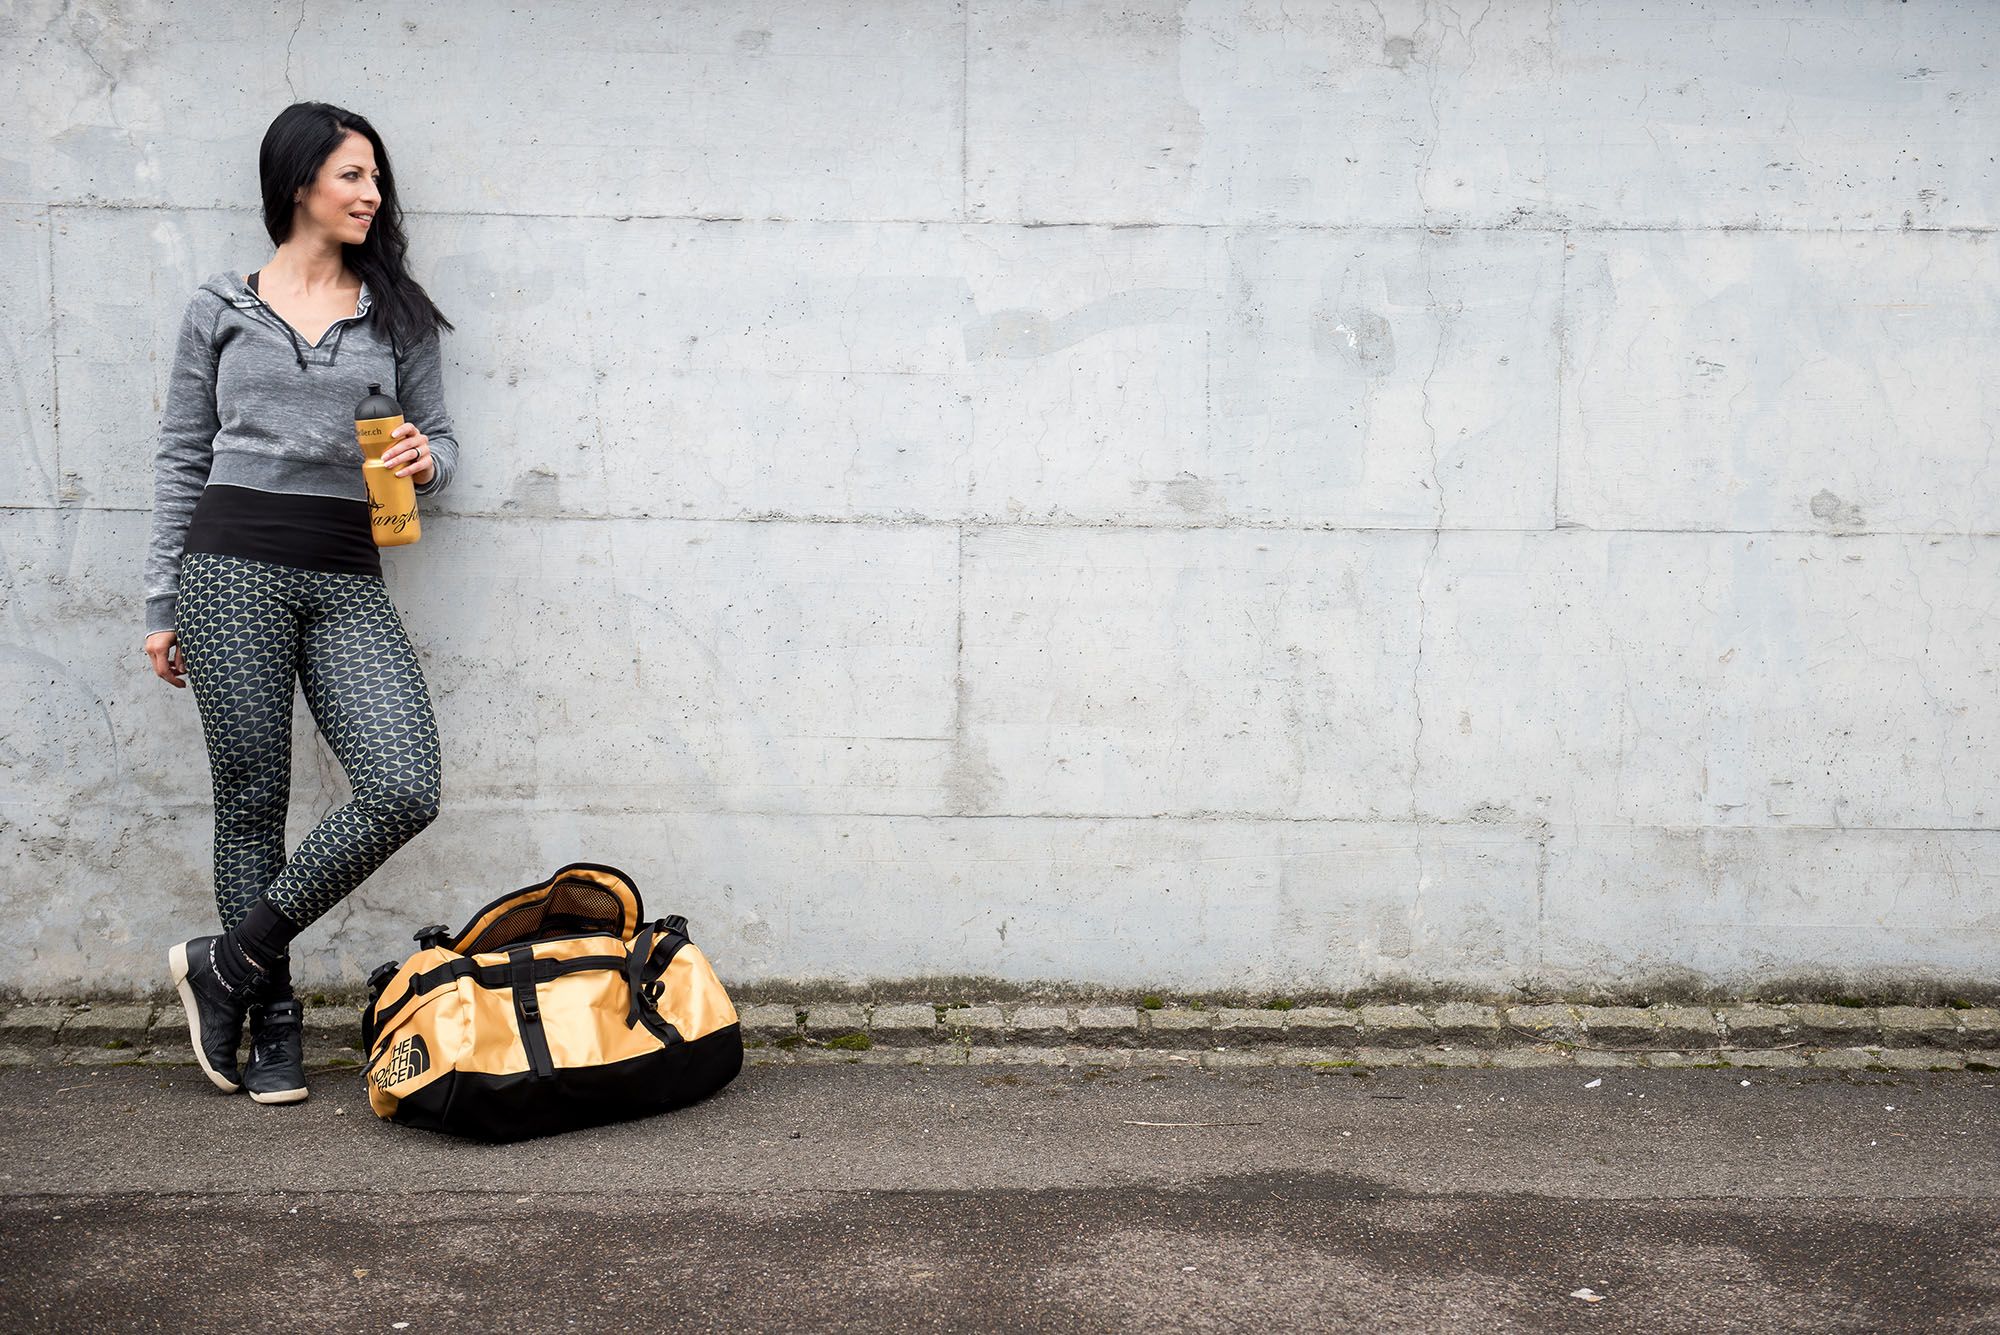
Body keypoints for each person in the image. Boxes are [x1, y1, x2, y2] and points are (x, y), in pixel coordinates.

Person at [145, 101, 460, 1105]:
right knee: (251, 801)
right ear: (298, 184)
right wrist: (161, 603)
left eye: (376, 178)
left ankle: (226, 963)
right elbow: (181, 455)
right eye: (352, 175)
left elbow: (443, 443)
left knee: (403, 785)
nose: (372, 194)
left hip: (346, 570)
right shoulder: (220, 306)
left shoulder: (397, 313)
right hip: (230, 566)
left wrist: (427, 459)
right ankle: (269, 1017)